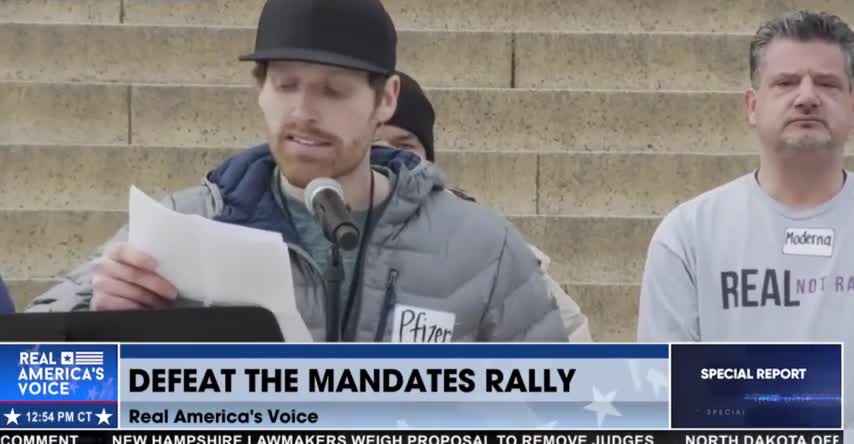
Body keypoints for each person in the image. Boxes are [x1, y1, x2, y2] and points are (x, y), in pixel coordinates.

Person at [26, 0, 568, 343]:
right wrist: (91, 317)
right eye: (285, 85)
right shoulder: (182, 223)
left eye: (333, 90)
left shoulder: (482, 247)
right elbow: (21, 376)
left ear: (386, 99)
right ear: (260, 91)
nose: (304, 112)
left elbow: (561, 406)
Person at [637, 9, 853, 426]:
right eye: (786, 82)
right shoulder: (687, 235)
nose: (807, 96)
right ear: (753, 106)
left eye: (827, 84)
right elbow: (661, 389)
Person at [374, 71, 592, 341]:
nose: (388, 158)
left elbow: (570, 346)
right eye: (372, 144)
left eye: (404, 145)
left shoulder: (490, 246)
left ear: (428, 157)